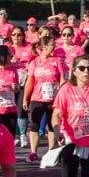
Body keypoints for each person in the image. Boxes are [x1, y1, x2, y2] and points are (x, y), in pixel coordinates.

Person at [21, 30, 65, 164]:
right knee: (34, 125)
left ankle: (52, 151)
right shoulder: (34, 62)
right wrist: (25, 98)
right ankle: (33, 152)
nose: (54, 47)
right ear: (44, 46)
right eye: (52, 44)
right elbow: (30, 82)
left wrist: (62, 96)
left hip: (53, 99)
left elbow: (62, 79)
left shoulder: (57, 61)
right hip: (37, 98)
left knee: (52, 126)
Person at [0, 45, 22, 140]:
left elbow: (17, 88)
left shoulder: (13, 70)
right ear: (2, 56)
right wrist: (0, 89)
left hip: (11, 108)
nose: (11, 58)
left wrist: (15, 87)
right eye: (10, 55)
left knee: (10, 137)